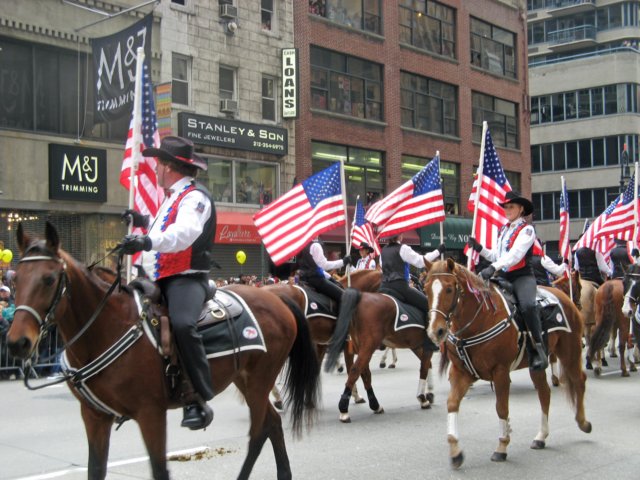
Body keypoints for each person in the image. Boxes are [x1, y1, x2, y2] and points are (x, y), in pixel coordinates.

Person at [119, 136, 216, 431]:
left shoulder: (195, 198)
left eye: (159, 163)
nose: (156, 168)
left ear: (171, 167)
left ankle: (198, 397)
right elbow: (164, 225)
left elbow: (185, 233)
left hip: (185, 278)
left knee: (184, 324)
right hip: (157, 277)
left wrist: (147, 240)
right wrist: (143, 220)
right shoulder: (172, 197)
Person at [467, 191, 548, 371]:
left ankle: (538, 348)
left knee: (527, 305)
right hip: (502, 276)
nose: (507, 210)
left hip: (522, 277)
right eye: (506, 207)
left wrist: (493, 267)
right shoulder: (503, 229)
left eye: (511, 207)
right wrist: (480, 249)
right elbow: (498, 255)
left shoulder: (527, 230)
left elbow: (515, 255)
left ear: (520, 209)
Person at [379, 233, 444, 314]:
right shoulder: (403, 248)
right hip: (400, 287)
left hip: (383, 286)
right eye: (401, 233)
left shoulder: (383, 250)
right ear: (399, 236)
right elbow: (421, 262)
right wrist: (438, 251)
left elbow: (383, 268)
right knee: (428, 304)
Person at [297, 239, 351, 307]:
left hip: (303, 279)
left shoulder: (302, 245)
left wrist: (330, 277)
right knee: (345, 298)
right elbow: (323, 265)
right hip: (316, 280)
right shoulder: (315, 245)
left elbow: (317, 268)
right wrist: (343, 262)